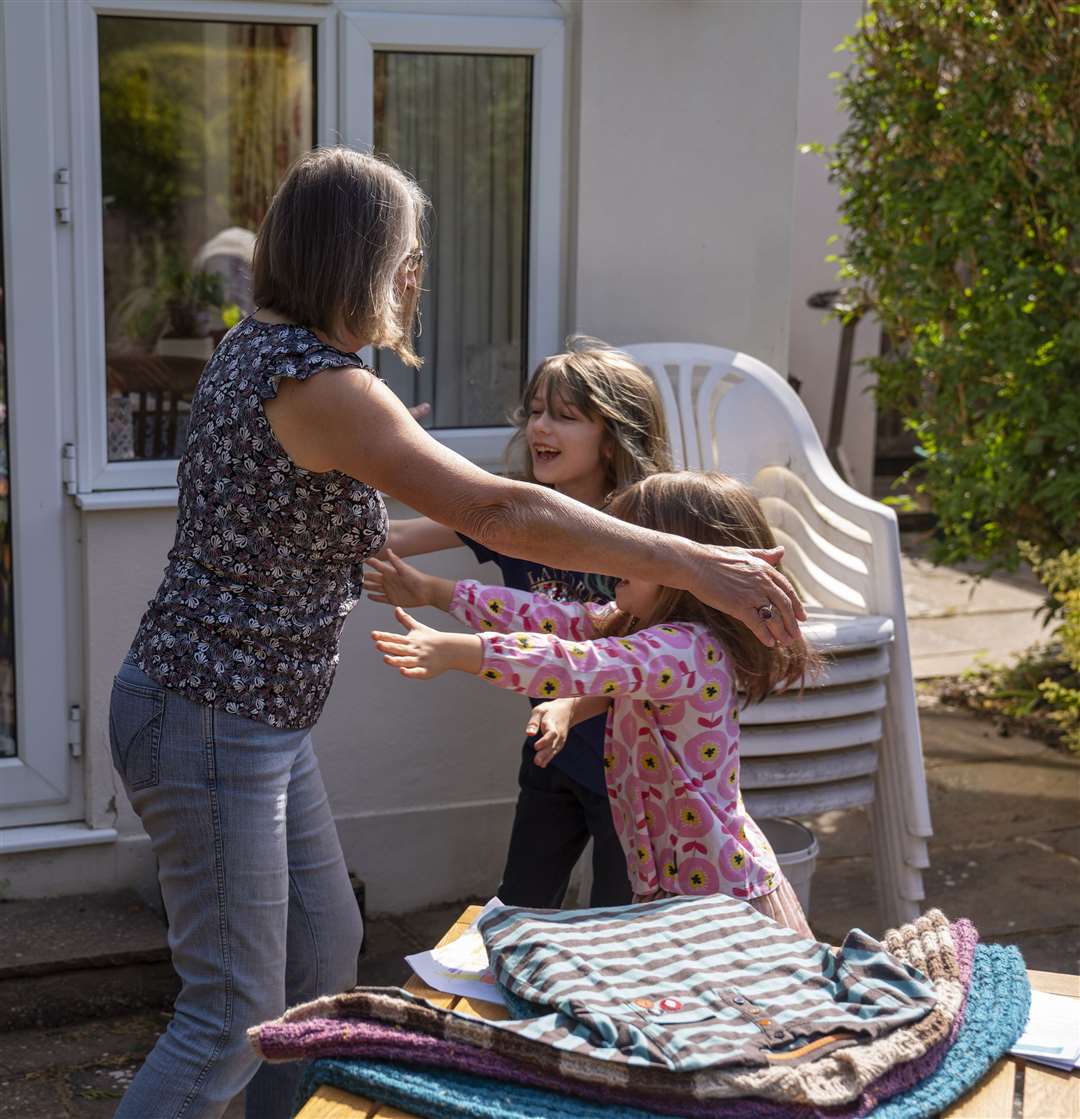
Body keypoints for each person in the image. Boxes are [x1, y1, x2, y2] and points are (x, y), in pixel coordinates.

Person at [108, 147, 805, 1119]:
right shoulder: (323, 383)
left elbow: (303, 535)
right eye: (406, 255)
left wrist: (428, 572)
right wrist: (691, 561)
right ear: (360, 258)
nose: (413, 278)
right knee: (230, 1012)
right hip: (211, 716)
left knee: (319, 956)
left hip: (246, 719)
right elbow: (501, 513)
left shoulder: (261, 352)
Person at [371, 471, 817, 936]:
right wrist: (436, 591)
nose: (614, 560)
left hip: (716, 904)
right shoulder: (637, 625)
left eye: (638, 550)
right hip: (669, 892)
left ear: (692, 571)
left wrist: (459, 652)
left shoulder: (686, 649)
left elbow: (577, 664)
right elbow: (552, 618)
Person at [363, 339, 672, 909]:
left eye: (565, 416)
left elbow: (646, 660)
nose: (540, 429)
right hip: (549, 752)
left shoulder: (645, 534)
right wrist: (358, 463)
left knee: (618, 926)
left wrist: (571, 704)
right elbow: (390, 537)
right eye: (535, 412)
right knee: (520, 910)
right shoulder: (510, 513)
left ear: (615, 437)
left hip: (631, 771)